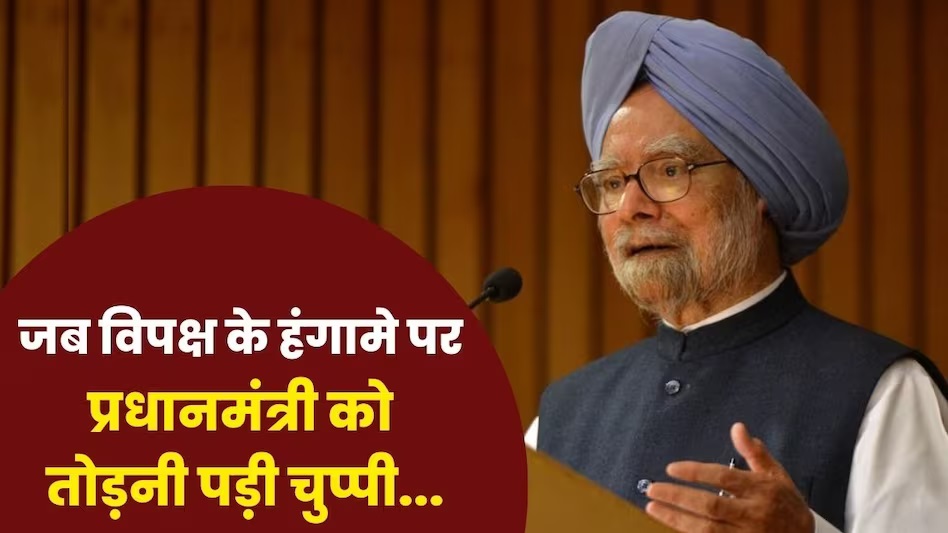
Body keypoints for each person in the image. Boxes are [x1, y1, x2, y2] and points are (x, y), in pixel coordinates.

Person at [523, 11, 948, 533]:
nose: (631, 207)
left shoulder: (882, 391)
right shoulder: (562, 418)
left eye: (670, 171)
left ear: (760, 189)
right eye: (611, 182)